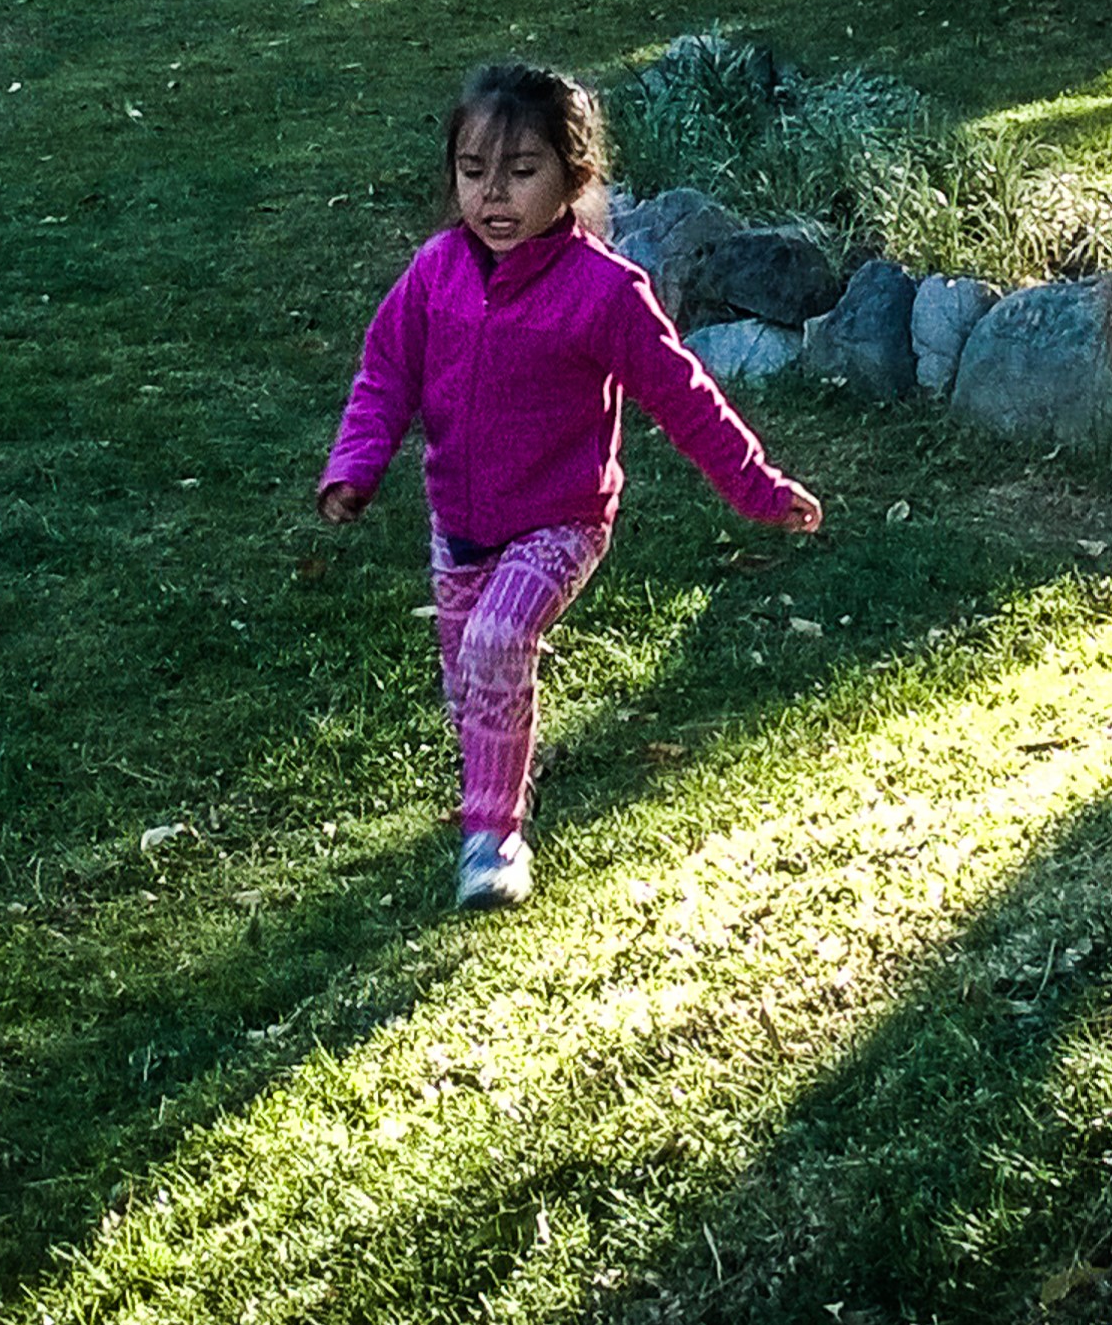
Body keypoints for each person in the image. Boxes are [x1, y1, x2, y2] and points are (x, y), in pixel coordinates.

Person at [320, 62, 821, 907]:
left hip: (561, 520)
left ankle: (494, 838)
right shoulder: (436, 272)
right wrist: (354, 467)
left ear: (574, 176)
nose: (495, 198)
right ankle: (500, 771)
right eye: (474, 174)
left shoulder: (604, 294)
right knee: (469, 684)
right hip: (459, 522)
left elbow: (682, 395)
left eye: (522, 173)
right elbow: (384, 375)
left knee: (495, 644)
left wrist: (758, 488)